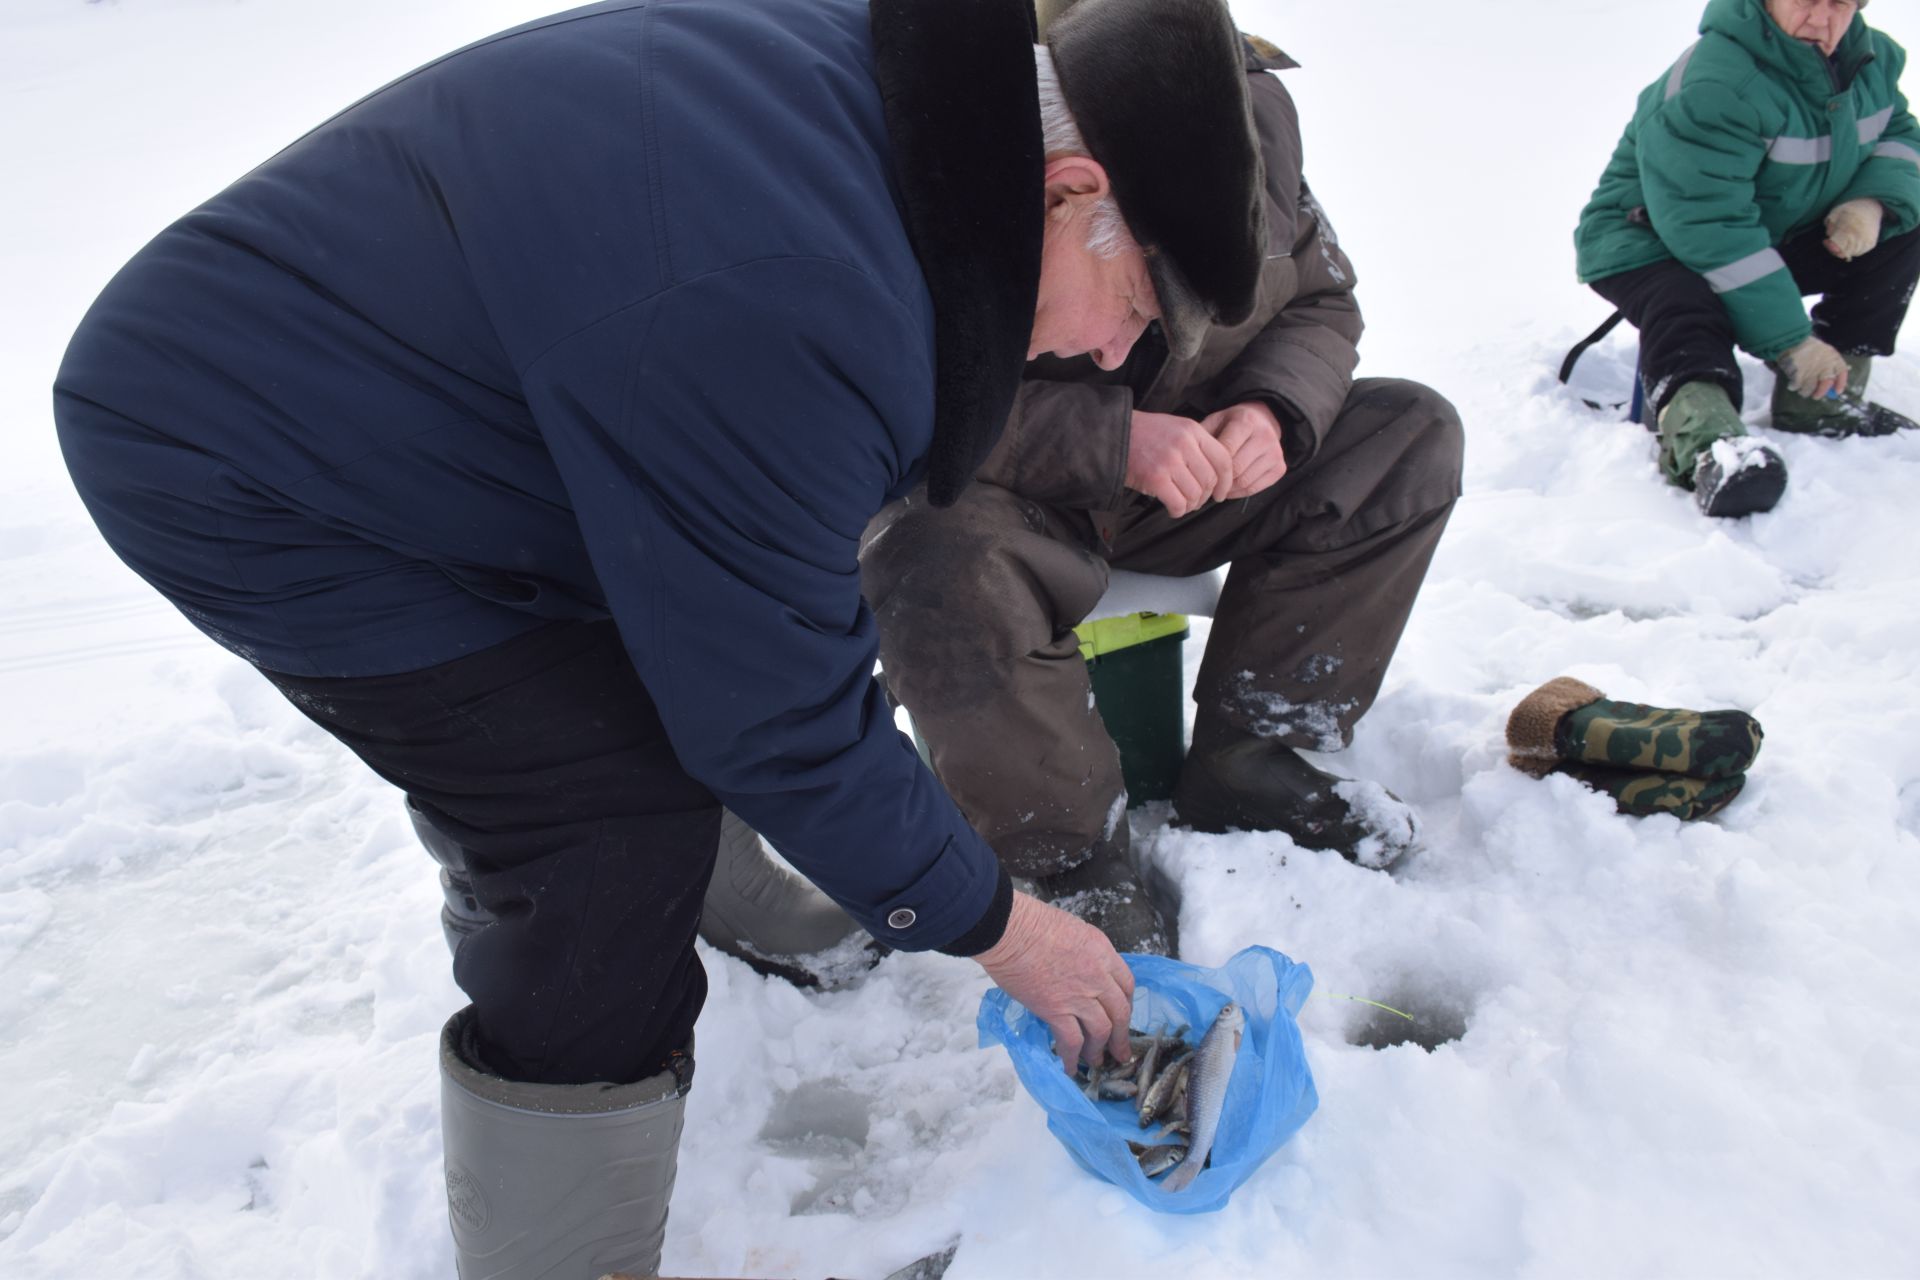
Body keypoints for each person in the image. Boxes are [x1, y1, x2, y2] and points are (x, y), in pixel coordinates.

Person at [49, 0, 1268, 1273]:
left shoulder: (909, 120)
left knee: (698, 646)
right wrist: (1003, 927)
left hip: (445, 393)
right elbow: (775, 712)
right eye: (1132, 306)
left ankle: (749, 896)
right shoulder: (810, 293)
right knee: (593, 825)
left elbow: (761, 600)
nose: (1114, 357)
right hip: (244, 453)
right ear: (1072, 189)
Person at [859, 7, 1465, 955]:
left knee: (1409, 433)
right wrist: (1112, 438)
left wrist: (1272, 411)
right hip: (1007, 494)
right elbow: (889, 384)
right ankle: (1063, 852)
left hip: (1188, 487)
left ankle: (1252, 749)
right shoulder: (966, 131)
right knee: (930, 556)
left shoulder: (1248, 111)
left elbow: (1322, 299)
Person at [1576, 0, 1920, 519]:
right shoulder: (1716, 86)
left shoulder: (1868, 62)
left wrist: (1869, 205)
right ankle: (1709, 443)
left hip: (1769, 228)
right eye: (1805, 1)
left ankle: (1819, 402)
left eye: (1839, 4)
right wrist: (1791, 341)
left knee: (1905, 228)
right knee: (1687, 303)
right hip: (1649, 239)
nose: (1821, 21)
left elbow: (1900, 139)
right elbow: (1710, 226)